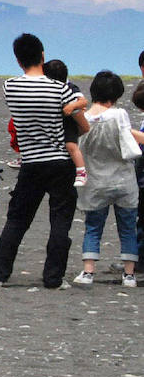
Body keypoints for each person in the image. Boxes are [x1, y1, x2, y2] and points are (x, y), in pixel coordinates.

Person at [0, 33, 89, 289]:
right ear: (42, 55)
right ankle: (54, 278)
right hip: (61, 161)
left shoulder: (10, 86)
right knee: (60, 222)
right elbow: (80, 119)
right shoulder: (60, 88)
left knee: (17, 220)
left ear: (18, 61)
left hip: (31, 161)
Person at [72, 71, 144, 288]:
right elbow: (128, 145)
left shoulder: (83, 118)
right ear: (117, 94)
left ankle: (88, 272)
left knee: (93, 226)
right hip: (123, 180)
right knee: (127, 228)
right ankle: (129, 275)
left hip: (95, 181)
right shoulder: (120, 114)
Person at [43, 59, 88, 187]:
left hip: (69, 122)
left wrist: (72, 106)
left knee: (71, 145)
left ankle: (81, 172)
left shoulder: (70, 87)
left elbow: (83, 101)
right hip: (57, 122)